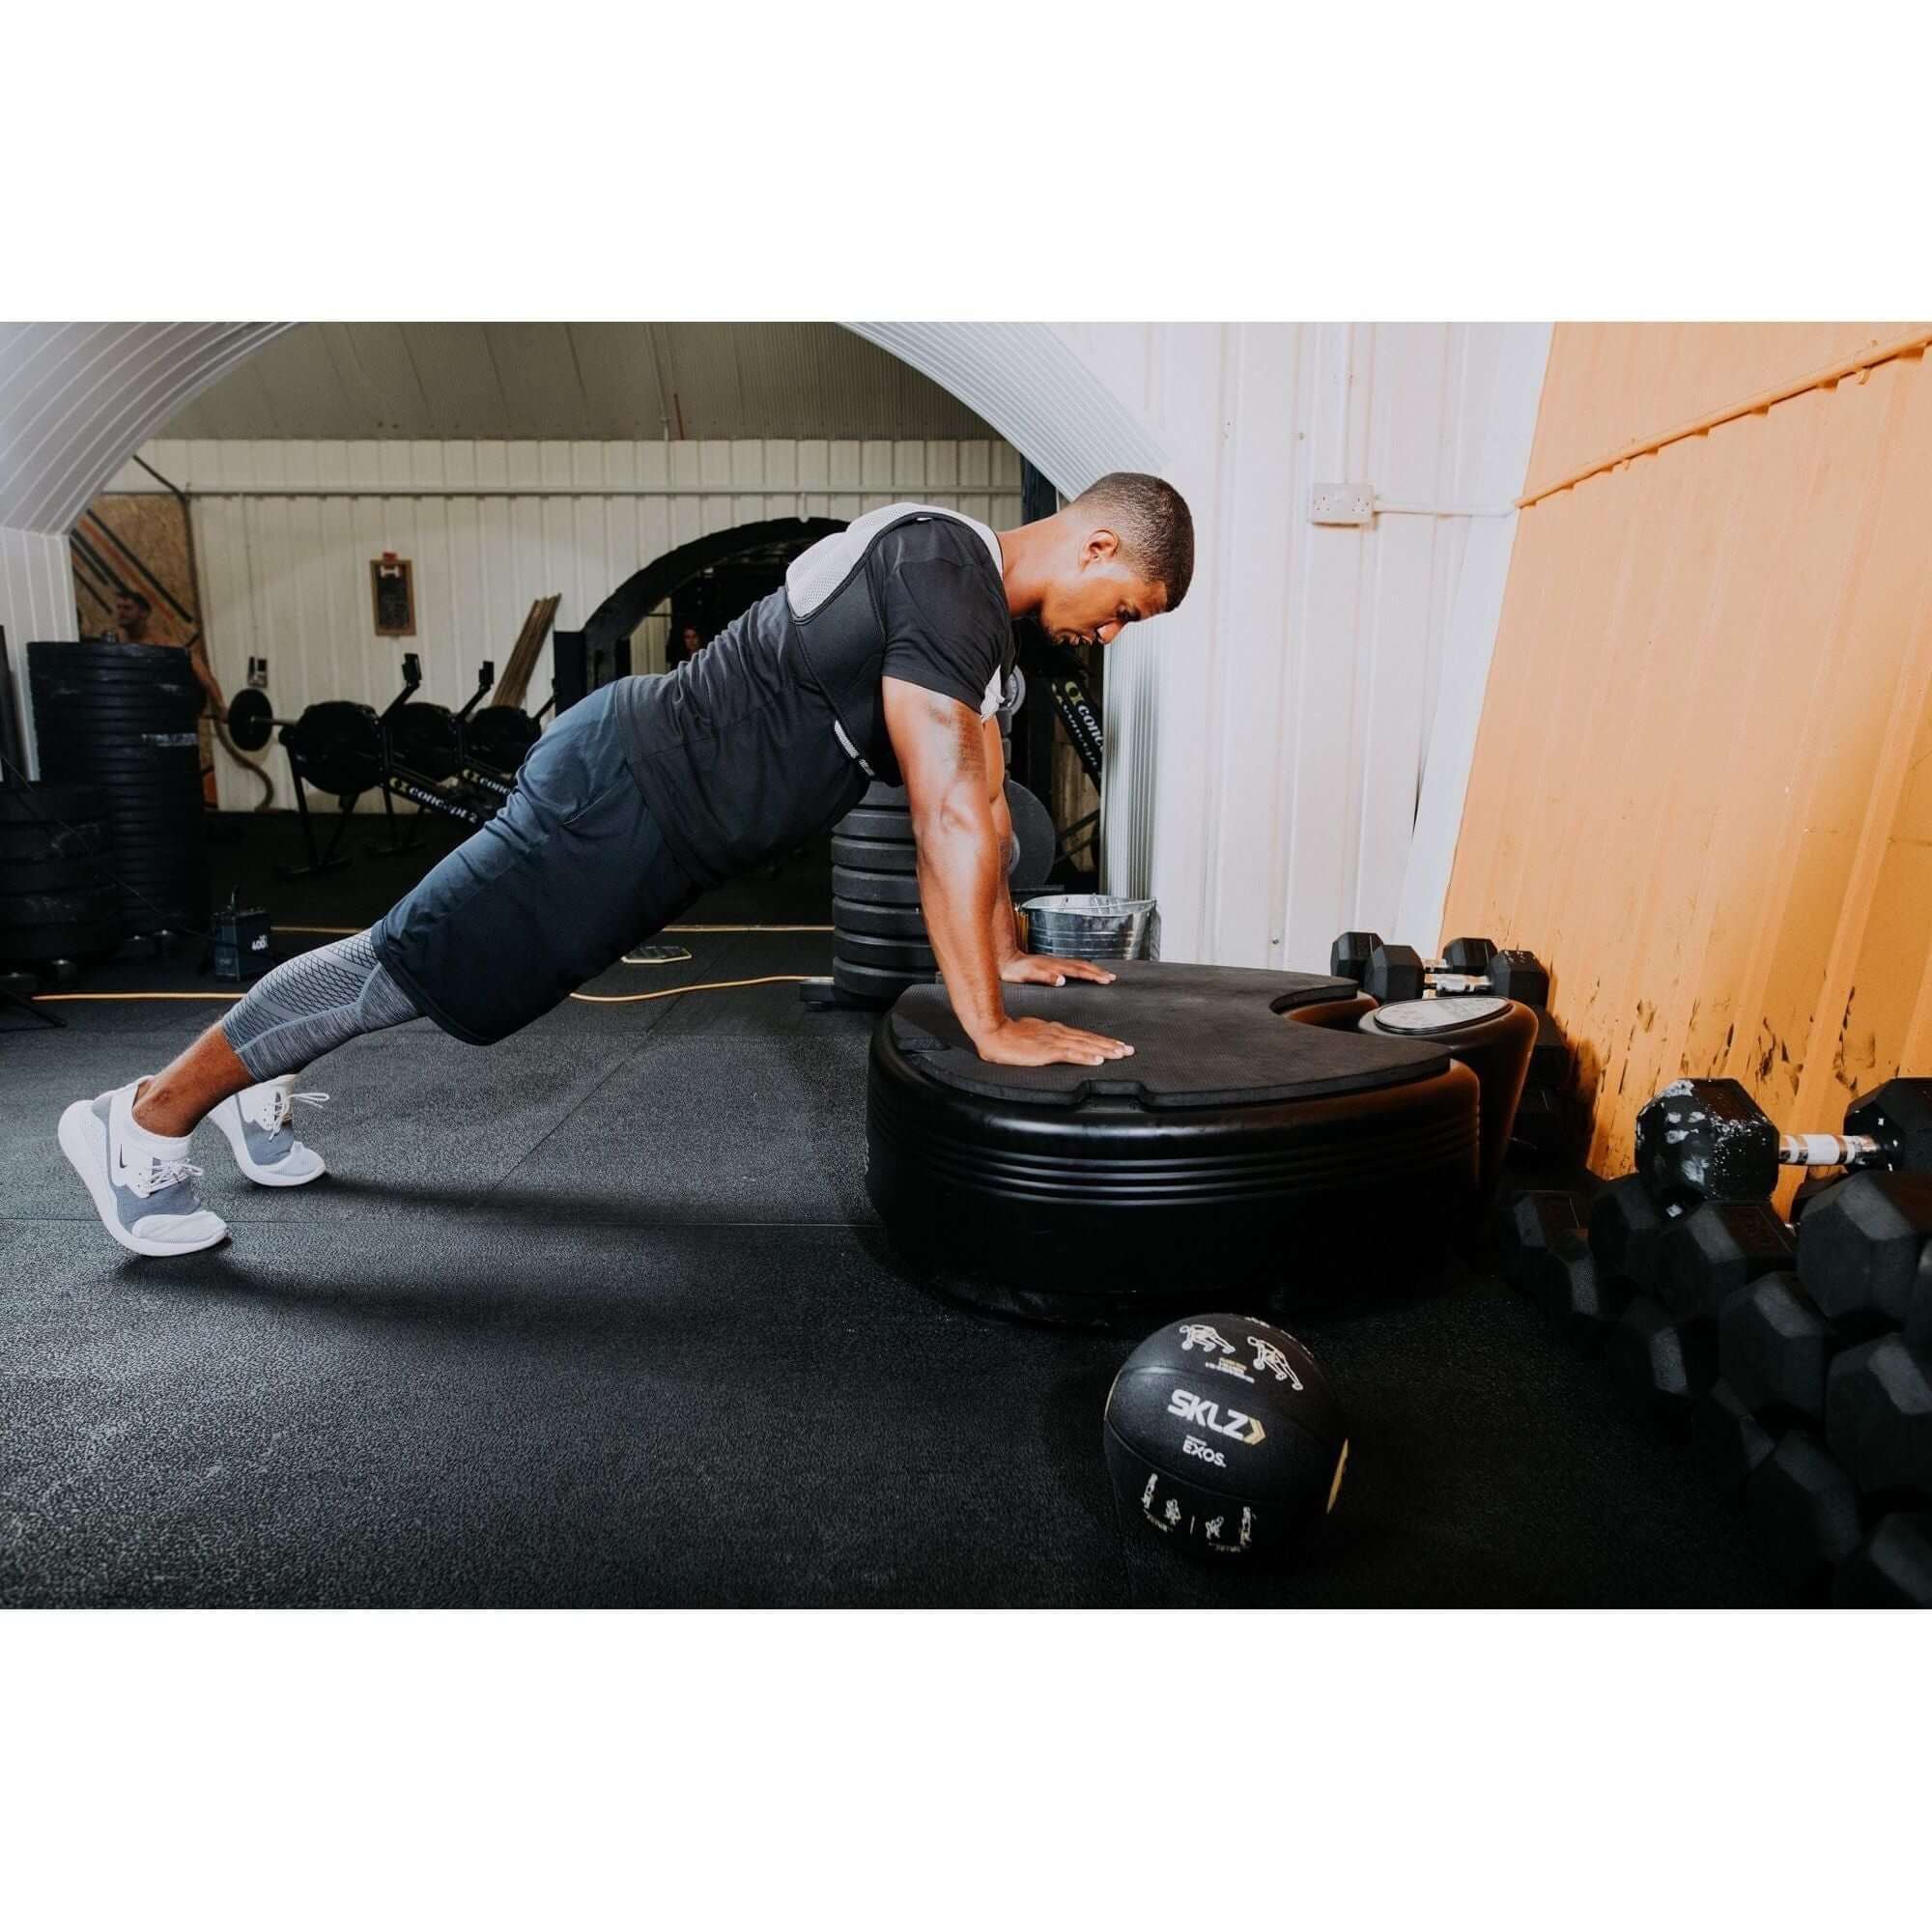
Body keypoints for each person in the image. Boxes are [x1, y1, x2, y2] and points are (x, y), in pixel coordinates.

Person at [57, 473, 1195, 1257]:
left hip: (659, 828)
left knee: (458, 981)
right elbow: (943, 810)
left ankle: (253, 1079)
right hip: (621, 793)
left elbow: (985, 810)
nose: (1110, 632)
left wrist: (1008, 952)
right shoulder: (941, 569)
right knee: (399, 966)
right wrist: (987, 1022)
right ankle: (145, 1121)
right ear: (1096, 544)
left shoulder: (985, 644)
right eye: (1124, 610)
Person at [106, 587, 225, 716]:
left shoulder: (162, 643)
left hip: (155, 709)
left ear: (144, 613)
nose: (121, 612)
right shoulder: (113, 641)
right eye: (119, 607)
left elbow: (202, 672)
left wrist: (221, 706)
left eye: (127, 608)